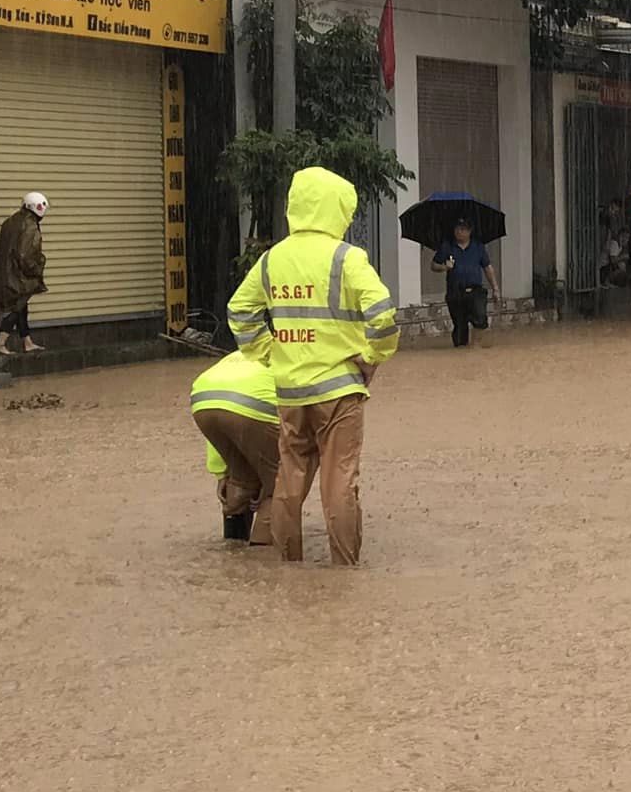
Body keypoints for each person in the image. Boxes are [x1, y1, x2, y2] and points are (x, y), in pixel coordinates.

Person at [226, 166, 399, 568]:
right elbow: (383, 316)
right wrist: (374, 357)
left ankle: (291, 564)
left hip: (290, 391)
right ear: (336, 209)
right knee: (339, 480)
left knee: (290, 477)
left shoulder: (272, 259)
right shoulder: (347, 258)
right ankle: (343, 571)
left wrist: (269, 354)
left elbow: (239, 312)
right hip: (339, 390)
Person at [189, 349, 281, 545]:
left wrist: (221, 473)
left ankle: (233, 546)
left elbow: (225, 437)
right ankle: (260, 558)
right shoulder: (292, 353)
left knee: (241, 478)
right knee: (280, 484)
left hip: (202, 399)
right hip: (255, 404)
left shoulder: (243, 351)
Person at [0, 192, 48, 356]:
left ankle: (27, 341)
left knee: (22, 306)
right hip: (19, 275)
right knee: (18, 307)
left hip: (6, 272)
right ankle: (1, 342)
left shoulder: (11, 221)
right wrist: (37, 267)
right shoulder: (29, 225)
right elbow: (25, 255)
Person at [433, 216, 498, 348]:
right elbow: (434, 265)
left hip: (475, 291)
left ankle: (476, 346)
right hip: (456, 292)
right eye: (457, 229)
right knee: (460, 328)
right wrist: (445, 267)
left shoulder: (478, 247)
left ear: (470, 231)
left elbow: (487, 267)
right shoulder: (447, 246)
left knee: (480, 318)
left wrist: (495, 288)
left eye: (463, 229)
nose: (459, 232)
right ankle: (461, 350)